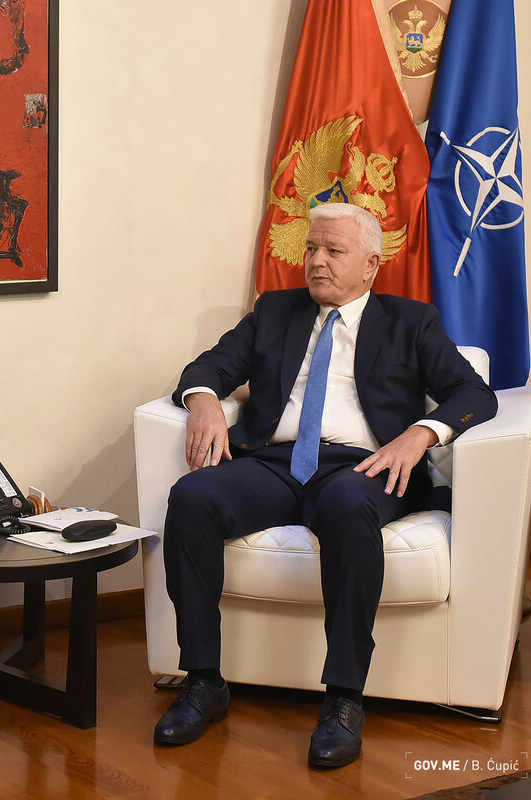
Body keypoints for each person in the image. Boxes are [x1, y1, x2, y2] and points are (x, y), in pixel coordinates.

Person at [153, 203, 497, 768]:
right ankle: (203, 681)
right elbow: (208, 367)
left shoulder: (411, 322)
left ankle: (343, 697)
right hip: (274, 462)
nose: (316, 261)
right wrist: (205, 401)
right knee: (193, 497)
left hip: (363, 466)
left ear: (371, 264)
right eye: (311, 249)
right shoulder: (275, 310)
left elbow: (474, 394)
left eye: (333, 251)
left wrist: (420, 434)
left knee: (345, 507)